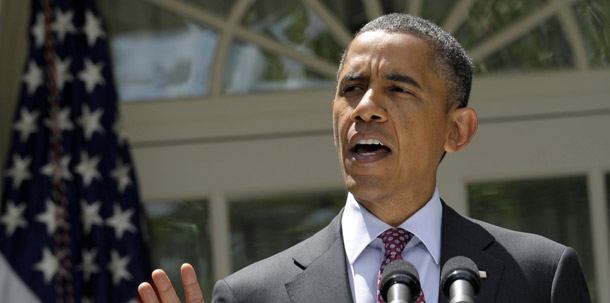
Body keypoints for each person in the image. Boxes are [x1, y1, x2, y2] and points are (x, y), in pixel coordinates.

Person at [138, 13, 591, 303]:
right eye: (351, 90)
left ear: (456, 130)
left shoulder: (540, 277)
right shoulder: (253, 295)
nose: (365, 107)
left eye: (398, 89)